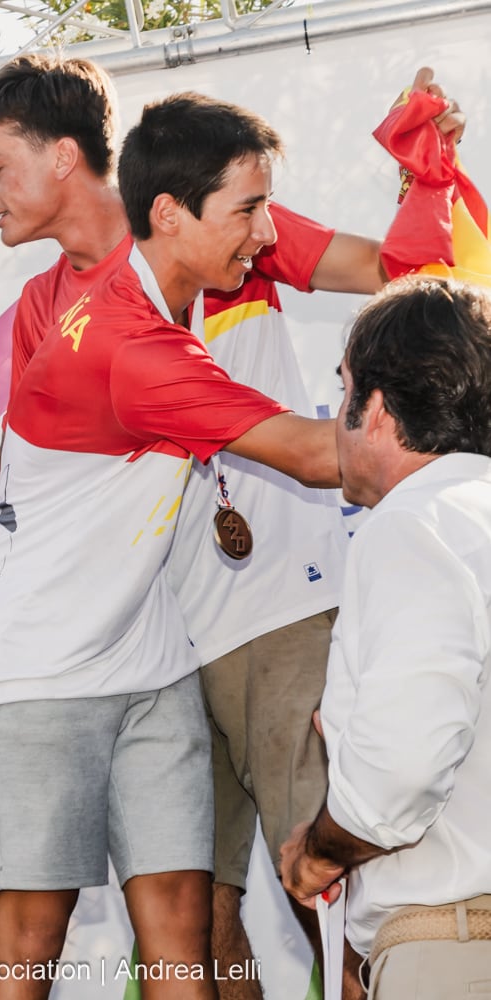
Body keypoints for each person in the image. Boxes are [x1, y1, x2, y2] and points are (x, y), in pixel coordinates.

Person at [0, 58, 460, 1000]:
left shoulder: (214, 226)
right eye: (250, 213)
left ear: (69, 158)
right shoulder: (103, 321)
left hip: (216, 631)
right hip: (82, 651)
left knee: (247, 904)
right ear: (172, 215)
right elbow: (311, 454)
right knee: (76, 928)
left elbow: (405, 275)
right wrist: (458, 418)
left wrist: (429, 177)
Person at [279, 276, 491, 997]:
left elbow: (402, 769)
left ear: (375, 409)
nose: (335, 416)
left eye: (343, 392)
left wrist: (320, 850)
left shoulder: (414, 524)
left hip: (458, 944)